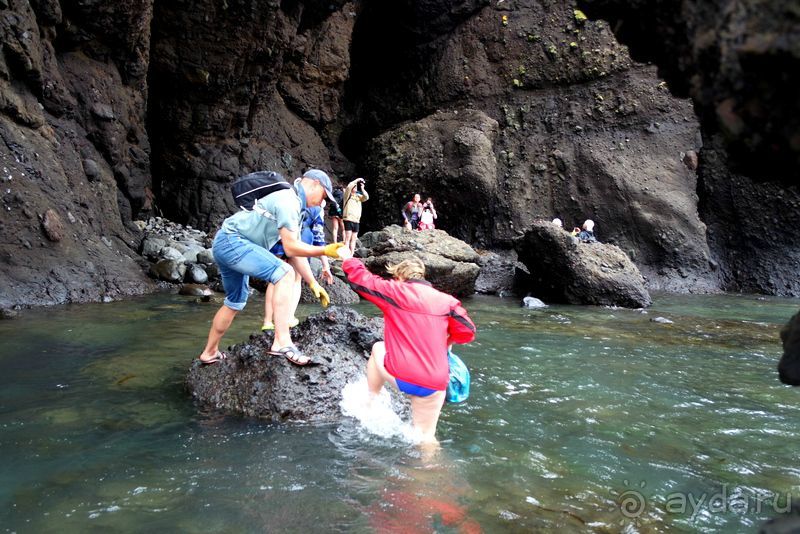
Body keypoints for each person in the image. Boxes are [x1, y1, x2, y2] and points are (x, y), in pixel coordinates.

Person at [197, 169, 344, 367]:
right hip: (234, 242)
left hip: (227, 242)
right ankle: (282, 342)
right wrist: (325, 250)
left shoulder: (295, 206)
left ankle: (209, 352)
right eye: (324, 196)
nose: (322, 203)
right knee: (284, 273)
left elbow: (293, 251)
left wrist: (312, 283)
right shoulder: (289, 200)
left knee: (235, 301)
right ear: (315, 184)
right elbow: (291, 247)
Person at [337, 247, 476, 444]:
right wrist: (447, 342)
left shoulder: (396, 292)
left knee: (378, 348)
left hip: (404, 377)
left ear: (400, 276)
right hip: (435, 383)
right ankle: (435, 472)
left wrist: (348, 259)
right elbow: (468, 331)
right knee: (426, 437)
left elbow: (362, 281)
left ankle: (371, 399)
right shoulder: (447, 302)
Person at [262, 202, 334, 331]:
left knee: (275, 279)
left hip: (281, 240)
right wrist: (325, 264)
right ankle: (289, 317)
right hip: (301, 242)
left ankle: (268, 321)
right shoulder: (317, 210)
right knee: (296, 279)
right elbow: (318, 237)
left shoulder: (292, 201)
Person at [343, 177, 369, 253]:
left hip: (356, 220)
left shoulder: (358, 197)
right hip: (348, 218)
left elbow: (366, 197)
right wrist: (357, 180)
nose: (355, 187)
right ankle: (346, 254)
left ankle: (351, 254)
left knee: (354, 239)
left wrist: (362, 189)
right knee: (348, 237)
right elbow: (349, 186)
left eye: (356, 186)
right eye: (354, 186)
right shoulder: (347, 195)